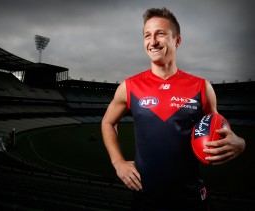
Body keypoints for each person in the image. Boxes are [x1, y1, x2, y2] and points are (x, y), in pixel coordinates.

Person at [101, 7, 245, 211]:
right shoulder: (129, 87)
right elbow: (108, 122)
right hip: (145, 197)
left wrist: (240, 142)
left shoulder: (202, 87)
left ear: (177, 40)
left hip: (190, 198)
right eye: (147, 36)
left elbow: (220, 129)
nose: (153, 42)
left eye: (160, 34)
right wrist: (118, 162)